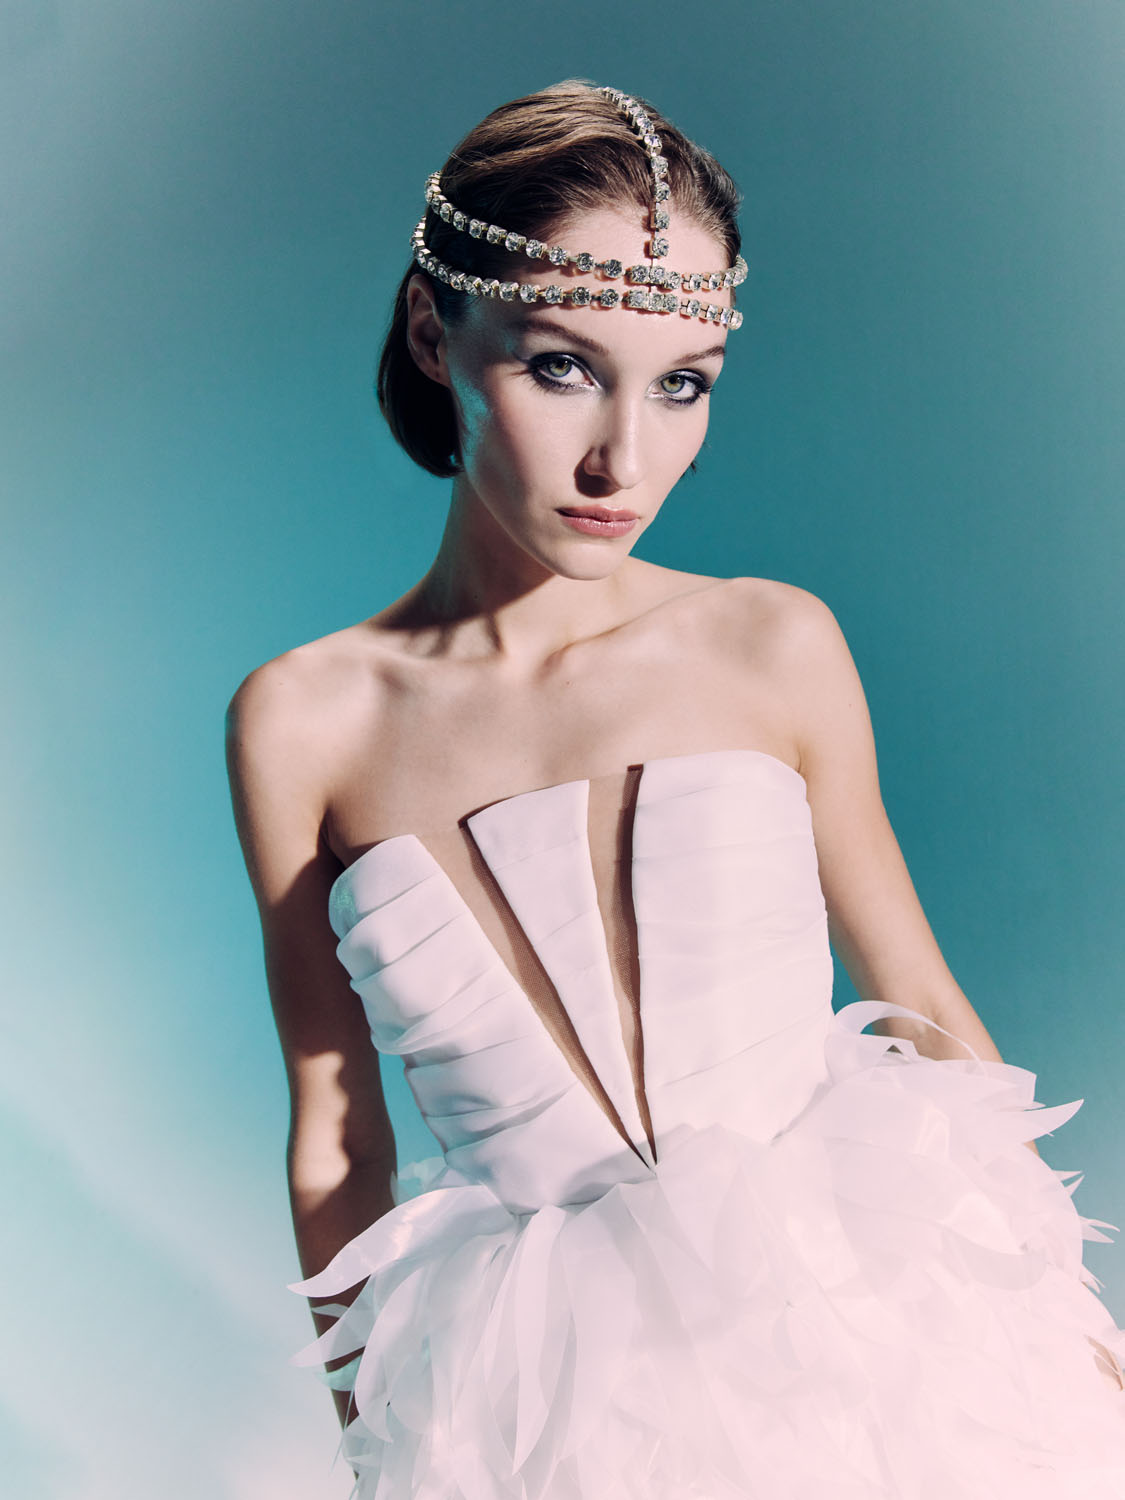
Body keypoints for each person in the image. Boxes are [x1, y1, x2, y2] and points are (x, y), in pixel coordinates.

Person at [225, 79, 1125, 1499]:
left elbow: (921, 1000)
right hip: (558, 1412)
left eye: (681, 383)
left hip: (885, 1338)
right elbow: (337, 1136)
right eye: (561, 367)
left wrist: (1075, 1327)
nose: (622, 460)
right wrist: (375, 1451)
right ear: (432, 333)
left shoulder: (769, 641)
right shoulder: (300, 722)